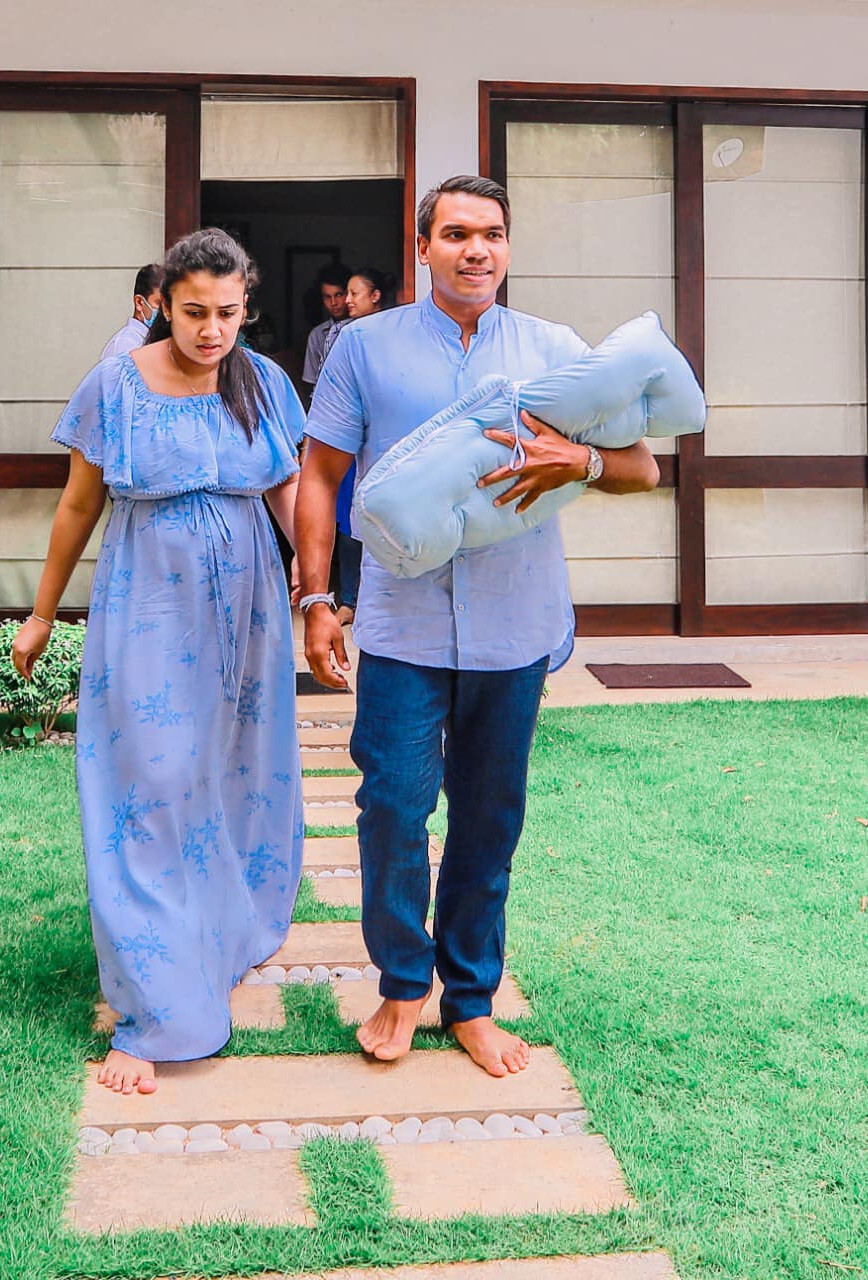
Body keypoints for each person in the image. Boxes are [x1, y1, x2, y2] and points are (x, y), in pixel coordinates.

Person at [295, 176, 660, 1078]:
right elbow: (320, 473)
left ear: (508, 246)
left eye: (492, 234)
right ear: (423, 246)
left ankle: (469, 999)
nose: (476, 250)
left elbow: (642, 467)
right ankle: (400, 982)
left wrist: (579, 460)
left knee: (489, 818)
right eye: (456, 233)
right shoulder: (364, 347)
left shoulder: (556, 351)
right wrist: (315, 598)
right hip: (401, 625)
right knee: (392, 807)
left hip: (515, 620)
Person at [13, 229, 306, 1097]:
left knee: (236, 774)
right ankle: (155, 1009)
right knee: (151, 782)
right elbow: (77, 505)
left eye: (227, 313)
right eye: (194, 313)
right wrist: (40, 614)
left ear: (246, 307)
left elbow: (290, 490)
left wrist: (320, 590)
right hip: (150, 603)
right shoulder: (116, 386)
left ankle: (214, 938)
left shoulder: (265, 383)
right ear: (160, 306)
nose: (211, 331)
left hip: (249, 607)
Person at [333, 267, 394, 625]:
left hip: (382, 440)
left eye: (355, 293)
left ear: (375, 296)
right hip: (347, 438)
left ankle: (379, 598)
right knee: (347, 519)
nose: (348, 300)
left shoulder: (393, 335)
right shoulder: (342, 335)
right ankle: (349, 599)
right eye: (347, 293)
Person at [302, 263, 352, 391]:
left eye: (339, 295)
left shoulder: (361, 329)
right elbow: (311, 382)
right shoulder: (317, 335)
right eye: (327, 297)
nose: (333, 303)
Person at [99, 263, 164, 360]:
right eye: (160, 303)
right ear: (139, 302)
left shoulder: (156, 341)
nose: (166, 311)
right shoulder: (126, 345)